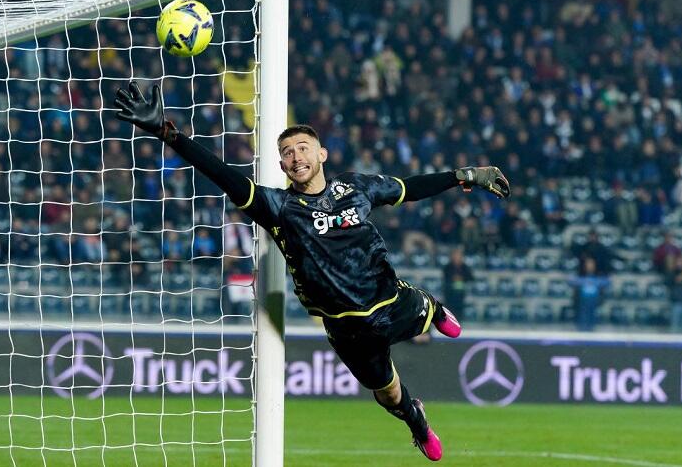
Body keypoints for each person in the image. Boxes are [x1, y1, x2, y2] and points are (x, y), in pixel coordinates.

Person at [114, 81, 511, 462]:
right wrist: (169, 134)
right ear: (281, 165)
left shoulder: (356, 187)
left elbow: (408, 188)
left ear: (322, 154)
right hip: (345, 327)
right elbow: (224, 176)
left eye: (303, 147)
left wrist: (465, 175)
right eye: (287, 152)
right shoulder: (279, 208)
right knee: (388, 394)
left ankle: (434, 309)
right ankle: (417, 421)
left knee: (428, 314)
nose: (296, 156)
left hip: (390, 300)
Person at [568, 258, 611, 331]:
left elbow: (606, 282)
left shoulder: (599, 274)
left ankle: (591, 327)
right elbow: (572, 281)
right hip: (582, 299)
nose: (589, 266)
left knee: (592, 312)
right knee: (582, 312)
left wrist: (592, 282)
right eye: (588, 264)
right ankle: (581, 327)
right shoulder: (580, 274)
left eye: (591, 265)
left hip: (594, 298)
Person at [442, 247, 474, 320]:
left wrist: (462, 278)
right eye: (455, 255)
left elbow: (471, 278)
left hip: (461, 293)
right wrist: (453, 279)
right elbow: (445, 278)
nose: (456, 257)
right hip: (450, 293)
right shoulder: (447, 267)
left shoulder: (465, 267)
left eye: (458, 255)